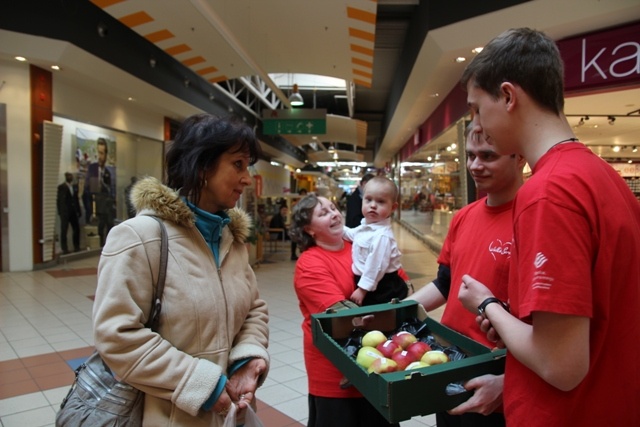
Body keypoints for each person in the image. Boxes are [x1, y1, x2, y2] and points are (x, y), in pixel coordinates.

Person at [457, 28, 640, 427]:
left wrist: (487, 305)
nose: (478, 124)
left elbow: (561, 365)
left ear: (507, 96)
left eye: (476, 108)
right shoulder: (602, 177)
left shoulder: (547, 193)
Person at [91, 114, 270, 426]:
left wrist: (247, 358)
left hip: (229, 415)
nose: (246, 178)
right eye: (238, 164)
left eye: (247, 165)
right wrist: (202, 384)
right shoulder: (140, 237)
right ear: (202, 167)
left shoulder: (232, 241)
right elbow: (116, 335)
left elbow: (254, 307)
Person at [407, 124, 525, 427]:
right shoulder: (464, 216)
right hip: (448, 363)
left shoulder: (533, 219)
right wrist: (396, 311)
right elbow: (445, 284)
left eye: (487, 156)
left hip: (498, 374)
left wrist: (508, 382)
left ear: (520, 156)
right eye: (471, 156)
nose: (475, 166)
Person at [289, 194, 399, 427]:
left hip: (379, 367)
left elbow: (398, 284)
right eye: (323, 213)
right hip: (336, 376)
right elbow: (342, 318)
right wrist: (385, 313)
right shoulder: (310, 264)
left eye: (333, 207)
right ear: (309, 229)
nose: (334, 214)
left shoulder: (360, 245)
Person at [343, 176, 407, 306]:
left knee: (376, 315)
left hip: (381, 287)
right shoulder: (365, 227)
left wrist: (362, 290)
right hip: (368, 282)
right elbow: (350, 234)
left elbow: (376, 266)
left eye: (381, 202)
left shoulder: (382, 236)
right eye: (368, 200)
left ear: (393, 207)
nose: (372, 205)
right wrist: (336, 227)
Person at [84, 137, 116, 246]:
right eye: (98, 153)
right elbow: (87, 190)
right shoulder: (92, 169)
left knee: (109, 226)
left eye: (102, 153)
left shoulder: (108, 172)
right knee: (99, 228)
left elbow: (110, 190)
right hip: (96, 206)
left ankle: (108, 245)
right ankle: (99, 246)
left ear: (106, 155)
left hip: (106, 206)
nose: (100, 157)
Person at [56, 172, 81, 254]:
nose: (70, 177)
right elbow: (59, 201)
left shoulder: (74, 187)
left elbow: (76, 199)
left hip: (73, 211)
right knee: (64, 230)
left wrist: (78, 210)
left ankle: (76, 246)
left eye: (71, 176)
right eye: (68, 176)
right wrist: (60, 212)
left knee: (76, 228)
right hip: (65, 212)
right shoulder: (61, 187)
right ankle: (64, 248)